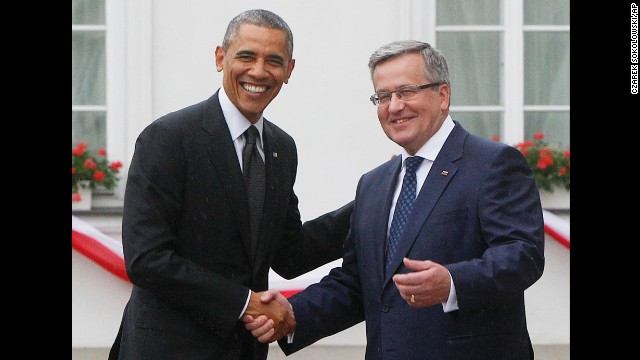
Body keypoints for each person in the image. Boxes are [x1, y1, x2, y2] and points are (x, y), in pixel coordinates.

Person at [244, 40, 545, 359]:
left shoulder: (493, 163)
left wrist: (453, 281)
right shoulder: (373, 184)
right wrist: (290, 316)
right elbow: (357, 283)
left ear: (443, 96)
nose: (394, 106)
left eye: (406, 92)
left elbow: (522, 255)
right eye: (383, 96)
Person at [108, 9, 353, 360]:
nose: (258, 71)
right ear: (221, 58)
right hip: (167, 350)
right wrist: (244, 303)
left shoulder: (282, 148)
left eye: (273, 60)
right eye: (246, 56)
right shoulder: (169, 138)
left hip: (244, 351)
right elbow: (147, 258)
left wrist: (374, 199)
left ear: (289, 71)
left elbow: (290, 253)